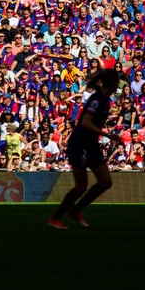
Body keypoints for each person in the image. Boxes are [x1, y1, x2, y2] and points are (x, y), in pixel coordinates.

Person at [48, 67, 124, 229]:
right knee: (81, 185)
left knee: (105, 181)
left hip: (91, 145)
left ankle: (76, 210)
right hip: (80, 143)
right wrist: (108, 135)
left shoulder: (105, 101)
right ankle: (56, 218)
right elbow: (85, 122)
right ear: (112, 84)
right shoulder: (97, 99)